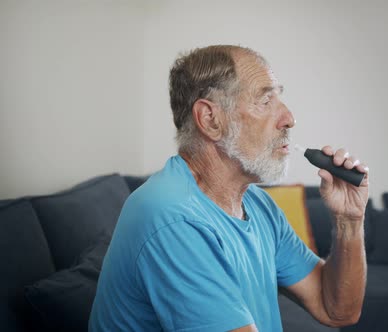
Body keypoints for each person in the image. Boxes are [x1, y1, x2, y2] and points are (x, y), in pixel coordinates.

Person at [89, 45, 369, 332]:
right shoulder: (171, 217)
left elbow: (337, 310)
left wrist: (349, 220)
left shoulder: (260, 205)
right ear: (210, 119)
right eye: (265, 99)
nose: (289, 118)